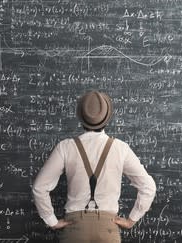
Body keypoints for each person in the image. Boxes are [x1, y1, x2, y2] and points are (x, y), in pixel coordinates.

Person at [32, 90, 156, 242]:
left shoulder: (65, 147)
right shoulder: (120, 148)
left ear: (81, 118)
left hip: (75, 227)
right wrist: (131, 220)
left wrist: (52, 220)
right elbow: (148, 186)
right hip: (108, 226)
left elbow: (39, 187)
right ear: (106, 119)